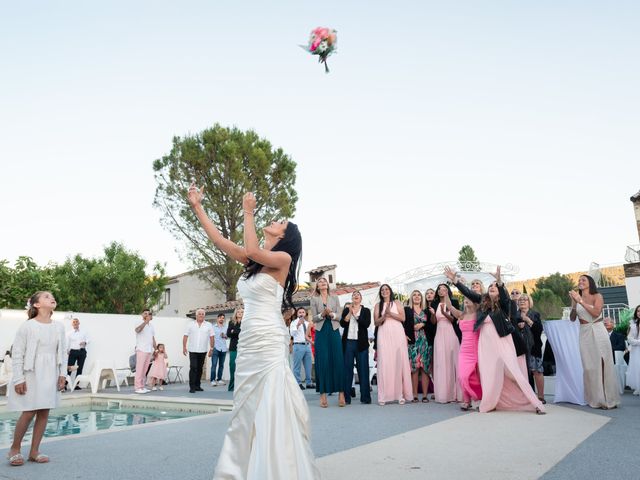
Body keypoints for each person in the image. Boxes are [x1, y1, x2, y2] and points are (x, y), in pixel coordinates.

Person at [188, 185, 319, 479]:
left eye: (279, 223)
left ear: (284, 237)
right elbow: (221, 241)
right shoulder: (255, 262)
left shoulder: (282, 260)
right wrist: (197, 207)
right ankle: (241, 469)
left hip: (269, 338)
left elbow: (250, 248)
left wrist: (248, 211)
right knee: (245, 409)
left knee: (271, 404)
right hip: (248, 340)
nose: (273, 222)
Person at [446, 266, 545, 414]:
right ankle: (489, 402)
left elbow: (505, 298)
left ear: (499, 291)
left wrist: (499, 281)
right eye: (490, 286)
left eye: (495, 286)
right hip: (486, 346)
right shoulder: (482, 303)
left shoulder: (506, 304)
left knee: (513, 374)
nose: (492, 287)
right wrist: (455, 281)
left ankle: (534, 403)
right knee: (489, 374)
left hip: (503, 343)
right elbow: (467, 292)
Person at [7, 291, 67, 466]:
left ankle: (34, 451)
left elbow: (62, 352)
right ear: (36, 304)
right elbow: (18, 353)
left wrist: (62, 374)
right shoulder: (27, 327)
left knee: (44, 411)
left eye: (52, 296)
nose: (52, 298)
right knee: (29, 411)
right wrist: (18, 378)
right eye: (46, 297)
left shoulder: (59, 327)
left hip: (51, 372)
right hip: (31, 372)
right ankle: (15, 449)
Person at [570, 275, 620, 409]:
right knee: (589, 366)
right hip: (584, 332)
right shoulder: (576, 298)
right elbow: (572, 318)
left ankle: (607, 399)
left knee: (603, 363)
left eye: (583, 280)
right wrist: (574, 304)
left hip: (598, 330)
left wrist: (580, 300)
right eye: (579, 280)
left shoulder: (597, 296)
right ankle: (595, 398)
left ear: (589, 283)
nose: (580, 282)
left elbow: (596, 313)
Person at [374, 284, 412, 406]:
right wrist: (384, 316)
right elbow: (376, 322)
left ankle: (400, 395)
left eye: (386, 289)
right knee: (384, 363)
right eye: (382, 290)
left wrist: (390, 313)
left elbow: (403, 318)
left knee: (398, 363)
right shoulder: (377, 305)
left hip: (397, 332)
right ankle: (383, 396)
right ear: (380, 293)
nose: (384, 291)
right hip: (383, 333)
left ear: (390, 291)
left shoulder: (397, 302)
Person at [442, 293, 482, 410]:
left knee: (475, 376)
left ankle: (480, 398)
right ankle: (467, 400)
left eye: (469, 298)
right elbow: (449, 307)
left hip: (476, 349)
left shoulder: (479, 315)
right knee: (462, 376)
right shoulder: (461, 314)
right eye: (465, 298)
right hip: (464, 350)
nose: (466, 300)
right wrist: (446, 293)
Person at [310, 277, 345, 408]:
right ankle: (323, 395)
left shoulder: (335, 298)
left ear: (328, 285)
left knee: (338, 360)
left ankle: (341, 394)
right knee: (323, 361)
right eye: (320, 282)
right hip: (321, 331)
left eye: (325, 281)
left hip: (334, 330)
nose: (323, 283)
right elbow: (313, 318)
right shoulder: (314, 299)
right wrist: (322, 314)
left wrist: (331, 315)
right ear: (317, 286)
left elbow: (340, 316)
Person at [431, 283, 462, 403]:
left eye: (444, 289)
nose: (441, 290)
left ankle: (457, 394)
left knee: (454, 362)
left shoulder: (454, 302)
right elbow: (433, 322)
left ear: (448, 291)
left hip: (451, 333)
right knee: (441, 363)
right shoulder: (434, 304)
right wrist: (434, 314)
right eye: (439, 289)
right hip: (439, 334)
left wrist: (444, 313)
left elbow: (454, 320)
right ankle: (443, 394)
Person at [340, 291, 372, 405]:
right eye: (354, 295)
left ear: (361, 298)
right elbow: (343, 324)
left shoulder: (366, 310)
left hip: (361, 343)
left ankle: (365, 397)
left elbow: (366, 324)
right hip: (348, 343)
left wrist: (356, 315)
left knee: (363, 370)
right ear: (352, 298)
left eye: (358, 295)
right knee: (347, 370)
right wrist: (349, 312)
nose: (355, 296)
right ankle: (346, 398)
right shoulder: (346, 310)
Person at [518, 294, 545, 403]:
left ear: (529, 302)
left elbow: (539, 330)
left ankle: (541, 397)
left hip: (533, 347)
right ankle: (526, 396)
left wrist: (527, 320)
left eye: (525, 300)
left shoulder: (534, 314)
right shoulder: (515, 315)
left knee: (536, 371)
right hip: (520, 348)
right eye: (520, 300)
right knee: (522, 373)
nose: (522, 301)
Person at [407, 290, 431, 403]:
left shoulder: (426, 311)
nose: (416, 297)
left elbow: (432, 324)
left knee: (425, 368)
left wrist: (423, 324)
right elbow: (404, 324)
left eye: (418, 295)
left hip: (425, 341)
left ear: (422, 298)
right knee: (415, 368)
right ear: (411, 298)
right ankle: (415, 395)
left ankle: (425, 396)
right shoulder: (408, 310)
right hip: (413, 341)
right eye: (414, 295)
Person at [183, 308, 214, 394]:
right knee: (193, 367)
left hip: (203, 350)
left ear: (204, 315)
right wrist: (184, 347)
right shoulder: (190, 324)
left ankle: (197, 386)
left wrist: (211, 348)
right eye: (199, 314)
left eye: (202, 314)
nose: (201, 315)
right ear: (196, 315)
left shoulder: (209, 325)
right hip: (192, 350)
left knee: (200, 368)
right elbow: (185, 336)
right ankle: (192, 387)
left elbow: (212, 337)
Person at [291, 307, 315, 390]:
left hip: (307, 346)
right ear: (297, 314)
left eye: (303, 312)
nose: (301, 314)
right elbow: (292, 333)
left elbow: (309, 335)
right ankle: (298, 383)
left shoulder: (308, 323)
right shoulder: (294, 322)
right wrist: (298, 325)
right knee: (297, 366)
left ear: (305, 314)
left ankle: (309, 383)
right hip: (298, 346)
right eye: (299, 312)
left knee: (308, 366)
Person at [134, 309, 157, 394]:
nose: (147, 315)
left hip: (148, 350)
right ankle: (137, 387)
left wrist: (156, 349)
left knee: (144, 370)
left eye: (149, 314)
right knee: (139, 369)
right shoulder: (139, 322)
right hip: (141, 349)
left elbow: (153, 338)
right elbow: (137, 330)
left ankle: (142, 386)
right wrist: (145, 322)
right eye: (145, 313)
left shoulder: (151, 326)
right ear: (142, 315)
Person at [605, 317, 627, 395]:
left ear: (613, 324)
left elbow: (622, 347)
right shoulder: (600, 336)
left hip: (615, 359)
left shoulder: (619, 335)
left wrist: (609, 349)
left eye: (608, 321)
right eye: (604, 322)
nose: (606, 322)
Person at [66, 317, 89, 389]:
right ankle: (65, 384)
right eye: (74, 322)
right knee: (69, 368)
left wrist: (85, 342)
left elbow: (88, 339)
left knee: (80, 368)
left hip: (82, 352)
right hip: (72, 352)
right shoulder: (69, 333)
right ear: (72, 324)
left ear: (79, 323)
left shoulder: (84, 332)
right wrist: (67, 350)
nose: (75, 323)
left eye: (76, 322)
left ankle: (77, 385)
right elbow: (67, 343)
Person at [226, 306, 243, 391]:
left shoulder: (245, 322)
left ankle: (241, 387)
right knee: (232, 367)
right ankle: (232, 386)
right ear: (236, 313)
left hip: (243, 348)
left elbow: (244, 333)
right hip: (233, 347)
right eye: (238, 312)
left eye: (241, 312)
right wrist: (238, 331)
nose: (240, 313)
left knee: (242, 367)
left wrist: (234, 331)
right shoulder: (231, 322)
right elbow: (228, 334)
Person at [211, 314, 228, 386]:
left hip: (223, 348)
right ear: (217, 318)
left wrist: (225, 336)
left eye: (223, 318)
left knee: (221, 365)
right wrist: (211, 348)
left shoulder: (226, 327)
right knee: (214, 365)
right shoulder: (213, 327)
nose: (221, 319)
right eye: (220, 318)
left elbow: (227, 337)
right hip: (215, 348)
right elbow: (211, 337)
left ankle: (219, 379)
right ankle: (212, 380)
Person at [626, 305, 640, 395]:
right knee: (637, 368)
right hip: (637, 350)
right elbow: (629, 339)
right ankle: (638, 386)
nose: (639, 313)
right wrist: (638, 342)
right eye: (638, 311)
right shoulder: (633, 325)